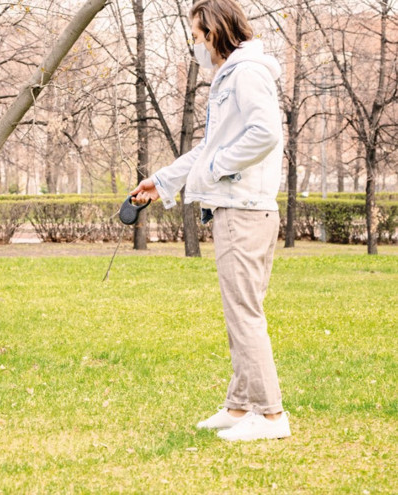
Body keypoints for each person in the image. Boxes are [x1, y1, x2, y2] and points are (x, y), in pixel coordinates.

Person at [130, 0, 290, 441]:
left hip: (244, 208)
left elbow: (265, 133)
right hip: (236, 207)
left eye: (197, 38)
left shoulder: (248, 73)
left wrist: (219, 166)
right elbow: (208, 149)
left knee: (244, 313)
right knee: (240, 311)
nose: (194, 46)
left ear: (216, 32)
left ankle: (271, 416)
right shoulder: (231, 76)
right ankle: (240, 407)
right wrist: (161, 182)